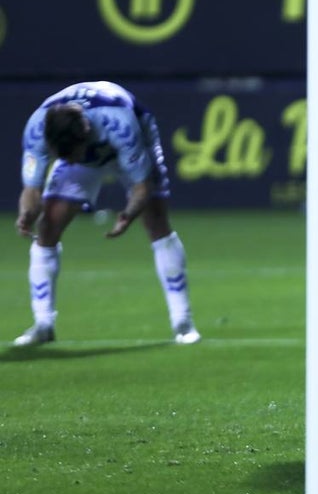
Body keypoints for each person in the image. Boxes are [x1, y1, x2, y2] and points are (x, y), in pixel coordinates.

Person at [14, 81, 200, 346]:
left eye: (71, 153)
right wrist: (26, 213)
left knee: (156, 221)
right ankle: (43, 324)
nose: (68, 159)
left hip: (134, 146)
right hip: (90, 151)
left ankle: (183, 321)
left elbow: (142, 186)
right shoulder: (37, 129)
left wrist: (128, 214)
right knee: (48, 226)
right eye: (60, 155)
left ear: (85, 135)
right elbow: (31, 190)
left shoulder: (119, 123)